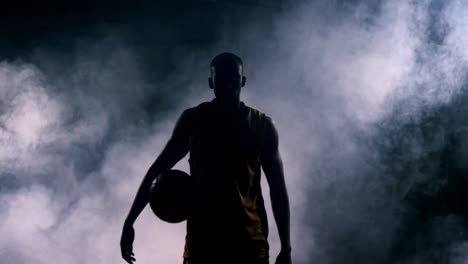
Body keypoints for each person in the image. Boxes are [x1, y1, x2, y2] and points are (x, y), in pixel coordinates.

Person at [120, 52, 292, 264]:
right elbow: (158, 169)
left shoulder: (262, 125)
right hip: (202, 246)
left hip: (248, 246)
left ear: (243, 81)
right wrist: (130, 221)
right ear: (211, 83)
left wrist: (286, 247)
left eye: (234, 78)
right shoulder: (194, 120)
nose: (228, 85)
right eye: (221, 79)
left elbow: (278, 189)